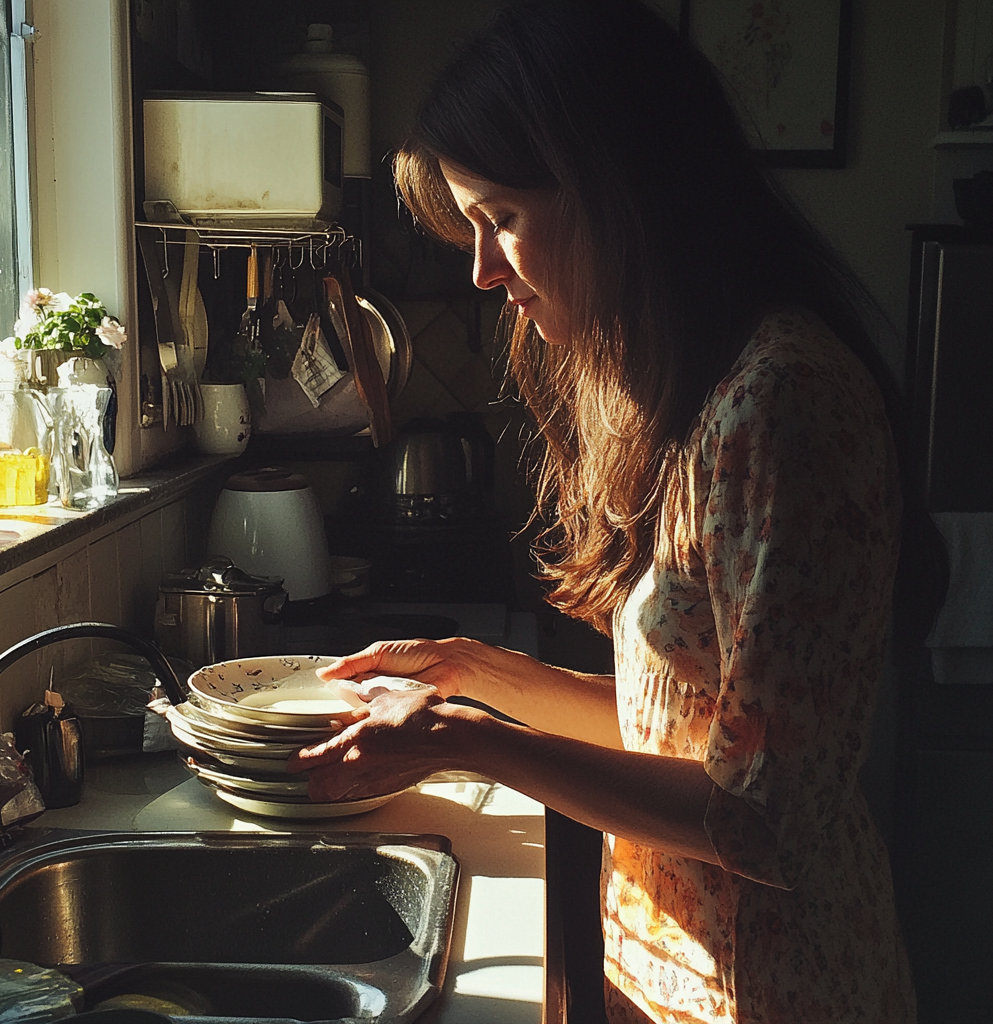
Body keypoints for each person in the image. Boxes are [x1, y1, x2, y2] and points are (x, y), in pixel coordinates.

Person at [286, 2, 935, 1020]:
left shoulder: (784, 401)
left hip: (772, 988)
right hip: (677, 974)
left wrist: (470, 735)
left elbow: (765, 821)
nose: (481, 270)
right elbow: (681, 738)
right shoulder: (703, 394)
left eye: (499, 218)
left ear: (613, 189)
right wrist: (472, 668)